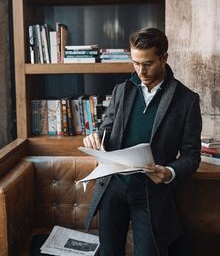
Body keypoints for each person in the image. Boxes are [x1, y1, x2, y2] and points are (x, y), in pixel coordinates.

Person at [83, 27, 202, 256]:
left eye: (147, 63)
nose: (140, 71)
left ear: (164, 58)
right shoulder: (121, 90)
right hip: (113, 187)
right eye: (135, 63)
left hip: (151, 192)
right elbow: (107, 128)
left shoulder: (187, 101)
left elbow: (191, 155)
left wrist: (169, 172)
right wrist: (96, 137)